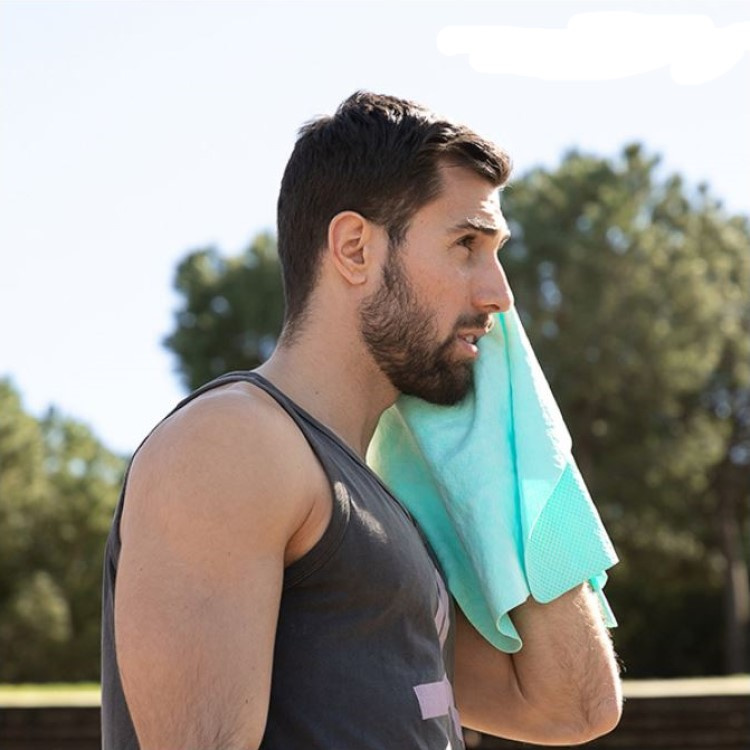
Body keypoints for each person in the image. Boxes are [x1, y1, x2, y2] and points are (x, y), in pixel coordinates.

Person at [101, 91, 622, 750]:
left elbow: (574, 706)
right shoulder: (233, 444)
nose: (500, 295)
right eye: (467, 243)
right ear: (354, 248)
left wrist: (512, 439)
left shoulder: (374, 496)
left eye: (496, 252)